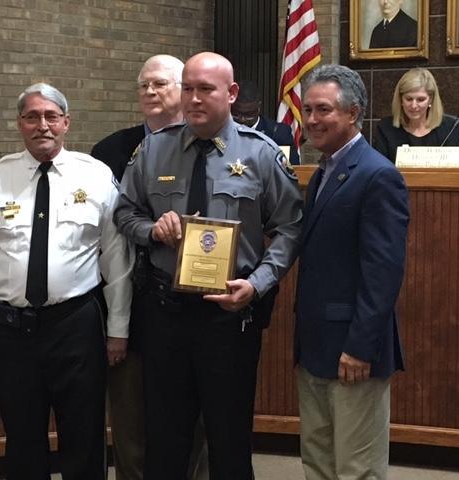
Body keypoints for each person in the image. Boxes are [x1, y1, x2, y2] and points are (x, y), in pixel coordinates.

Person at [114, 52, 303, 480]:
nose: (194, 98)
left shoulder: (261, 154)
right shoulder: (154, 149)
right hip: (166, 315)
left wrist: (257, 285)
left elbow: (291, 228)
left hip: (229, 317)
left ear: (231, 94)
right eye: (188, 88)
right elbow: (123, 213)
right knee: (164, 438)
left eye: (206, 89)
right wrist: (151, 230)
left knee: (229, 439)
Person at [0, 82, 133, 480]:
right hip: (14, 331)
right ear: (19, 124)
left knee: (84, 436)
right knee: (22, 438)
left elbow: (116, 260)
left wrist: (118, 329)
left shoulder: (96, 176)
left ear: (66, 123)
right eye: (32, 117)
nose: (43, 125)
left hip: (77, 326)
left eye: (51, 116)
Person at [90, 54, 208, 480]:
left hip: (186, 302)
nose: (151, 92)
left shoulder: (207, 147)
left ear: (185, 90)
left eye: (161, 83)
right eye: (144, 85)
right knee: (129, 415)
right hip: (126, 300)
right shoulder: (109, 151)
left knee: (186, 412)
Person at [295, 64, 409, 479]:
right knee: (319, 460)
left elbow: (383, 271)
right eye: (307, 110)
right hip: (315, 348)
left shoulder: (378, 175)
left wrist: (360, 346)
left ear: (353, 113)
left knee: (357, 468)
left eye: (323, 110)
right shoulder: (324, 170)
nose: (311, 120)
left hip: (353, 352)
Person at [373, 68, 459, 164]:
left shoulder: (451, 128)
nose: (414, 106)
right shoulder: (386, 128)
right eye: (409, 99)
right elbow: (378, 171)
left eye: (421, 99)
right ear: (401, 99)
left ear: (431, 99)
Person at [231, 80, 300, 165]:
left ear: (258, 108)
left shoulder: (278, 134)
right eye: (236, 114)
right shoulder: (220, 131)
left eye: (249, 115)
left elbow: (292, 171)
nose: (242, 120)